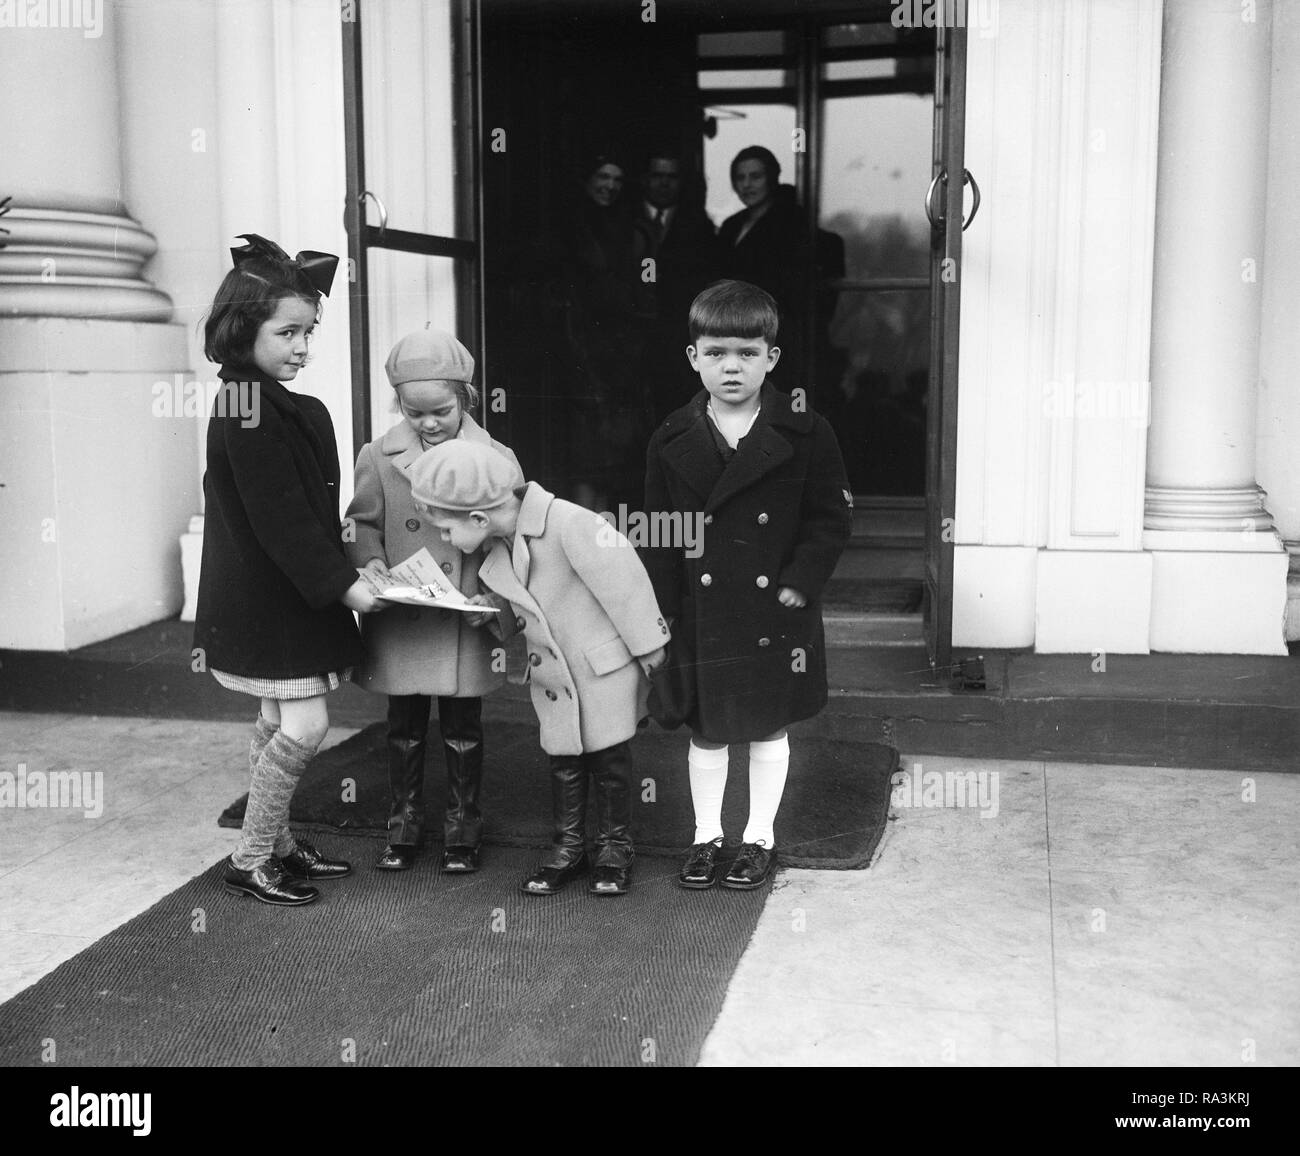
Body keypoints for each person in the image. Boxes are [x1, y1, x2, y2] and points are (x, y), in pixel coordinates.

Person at [641, 280, 853, 891]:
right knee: (706, 728)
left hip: (774, 610)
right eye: (715, 353)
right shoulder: (671, 436)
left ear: (771, 358)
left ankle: (759, 836)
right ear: (693, 358)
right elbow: (658, 531)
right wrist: (661, 613)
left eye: (746, 353)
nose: (731, 366)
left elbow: (830, 518)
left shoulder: (805, 430)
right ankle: (707, 835)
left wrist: (799, 582)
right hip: (700, 611)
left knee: (767, 723)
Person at [193, 233, 382, 907]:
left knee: (279, 719)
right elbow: (281, 519)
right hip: (270, 600)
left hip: (282, 597)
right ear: (245, 331)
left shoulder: (281, 404)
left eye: (310, 332)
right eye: (288, 332)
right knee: (304, 727)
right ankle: (250, 856)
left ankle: (272, 842)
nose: (302, 346)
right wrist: (345, 585)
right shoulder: (247, 405)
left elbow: (305, 509)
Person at [408, 440, 669, 897]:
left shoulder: (570, 524)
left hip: (599, 669)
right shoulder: (501, 547)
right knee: (564, 762)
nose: (446, 541)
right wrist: (491, 611)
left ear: (478, 518)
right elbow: (526, 603)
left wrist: (650, 648)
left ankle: (614, 848)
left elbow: (626, 584)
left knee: (609, 762)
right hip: (554, 679)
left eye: (446, 531)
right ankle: (569, 848)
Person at [345, 329, 523, 874]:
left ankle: (463, 829)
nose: (427, 423)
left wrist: (493, 593)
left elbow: (512, 536)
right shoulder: (378, 454)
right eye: (412, 411)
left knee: (463, 728)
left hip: (463, 614)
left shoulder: (495, 457)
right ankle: (402, 827)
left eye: (441, 411)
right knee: (402, 727)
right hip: (403, 616)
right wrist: (368, 561)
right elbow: (360, 521)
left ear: (466, 398)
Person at [630, 152, 719, 419]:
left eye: (672, 177)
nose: (664, 183)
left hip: (674, 336)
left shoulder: (699, 226)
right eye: (658, 175)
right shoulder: (623, 220)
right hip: (628, 335)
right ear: (645, 179)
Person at [717, 146, 811, 380]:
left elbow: (790, 283)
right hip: (732, 328)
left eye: (755, 176)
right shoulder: (732, 225)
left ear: (771, 179)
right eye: (740, 178)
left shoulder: (790, 221)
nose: (747, 185)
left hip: (772, 331)